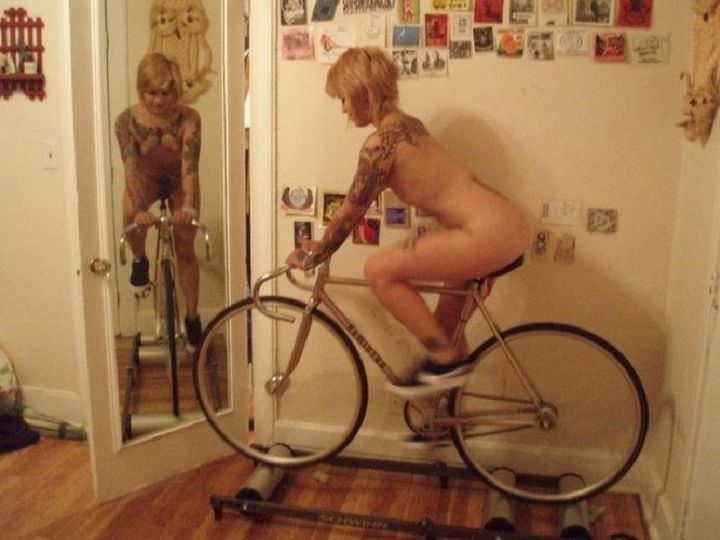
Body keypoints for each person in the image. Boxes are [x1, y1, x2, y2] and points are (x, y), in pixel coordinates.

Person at [285, 47, 531, 396]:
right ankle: (442, 415)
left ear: (362, 92)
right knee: (443, 335)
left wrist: (317, 252)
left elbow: (352, 209)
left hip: (488, 233)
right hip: (501, 225)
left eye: (343, 99)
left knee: (379, 271)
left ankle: (446, 362)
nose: (343, 109)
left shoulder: (381, 145)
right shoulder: (410, 126)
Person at [114, 52, 203, 349]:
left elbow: (190, 167)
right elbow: (130, 167)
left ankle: (192, 317)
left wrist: (188, 207)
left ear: (175, 92)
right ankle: (140, 259)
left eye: (165, 93)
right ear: (141, 90)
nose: (158, 101)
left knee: (185, 244)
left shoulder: (190, 118)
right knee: (129, 211)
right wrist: (140, 210)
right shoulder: (126, 121)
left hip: (178, 179)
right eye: (151, 93)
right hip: (146, 178)